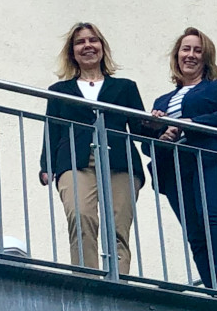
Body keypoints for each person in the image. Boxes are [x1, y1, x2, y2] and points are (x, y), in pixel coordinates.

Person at [39, 22, 146, 273]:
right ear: (72, 52)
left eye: (93, 40)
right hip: (75, 161)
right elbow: (51, 131)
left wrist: (158, 125)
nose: (87, 45)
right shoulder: (59, 91)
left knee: (118, 225)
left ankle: (119, 281)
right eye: (80, 42)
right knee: (80, 216)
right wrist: (46, 166)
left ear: (102, 47)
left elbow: (141, 128)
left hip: (120, 162)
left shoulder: (125, 87)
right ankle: (88, 279)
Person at [149, 27, 217, 291]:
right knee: (194, 231)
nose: (190, 55)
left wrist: (191, 122)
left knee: (211, 216)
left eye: (197, 50)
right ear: (177, 55)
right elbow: (150, 146)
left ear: (206, 57)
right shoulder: (163, 99)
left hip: (211, 159)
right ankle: (214, 288)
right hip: (176, 168)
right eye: (185, 49)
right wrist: (161, 133)